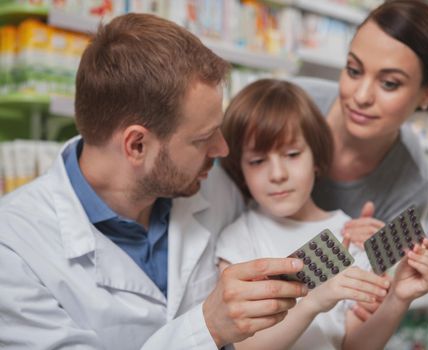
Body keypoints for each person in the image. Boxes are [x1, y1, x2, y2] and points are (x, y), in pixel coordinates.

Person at [0, 14, 309, 349]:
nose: (222, 149)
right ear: (137, 145)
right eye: (202, 138)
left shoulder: (214, 186)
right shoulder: (14, 251)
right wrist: (208, 328)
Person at [216, 79, 428, 349]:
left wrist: (399, 299)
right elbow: (245, 346)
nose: (277, 174)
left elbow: (354, 346)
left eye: (292, 154)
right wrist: (312, 303)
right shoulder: (238, 238)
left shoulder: (348, 234)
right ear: (240, 169)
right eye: (257, 161)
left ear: (316, 155)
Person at [291, 0, 428, 323]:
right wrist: (337, 241)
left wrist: (379, 272)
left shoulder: (412, 182)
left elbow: (358, 308)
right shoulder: (289, 106)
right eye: (353, 70)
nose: (361, 95)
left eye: (389, 83)